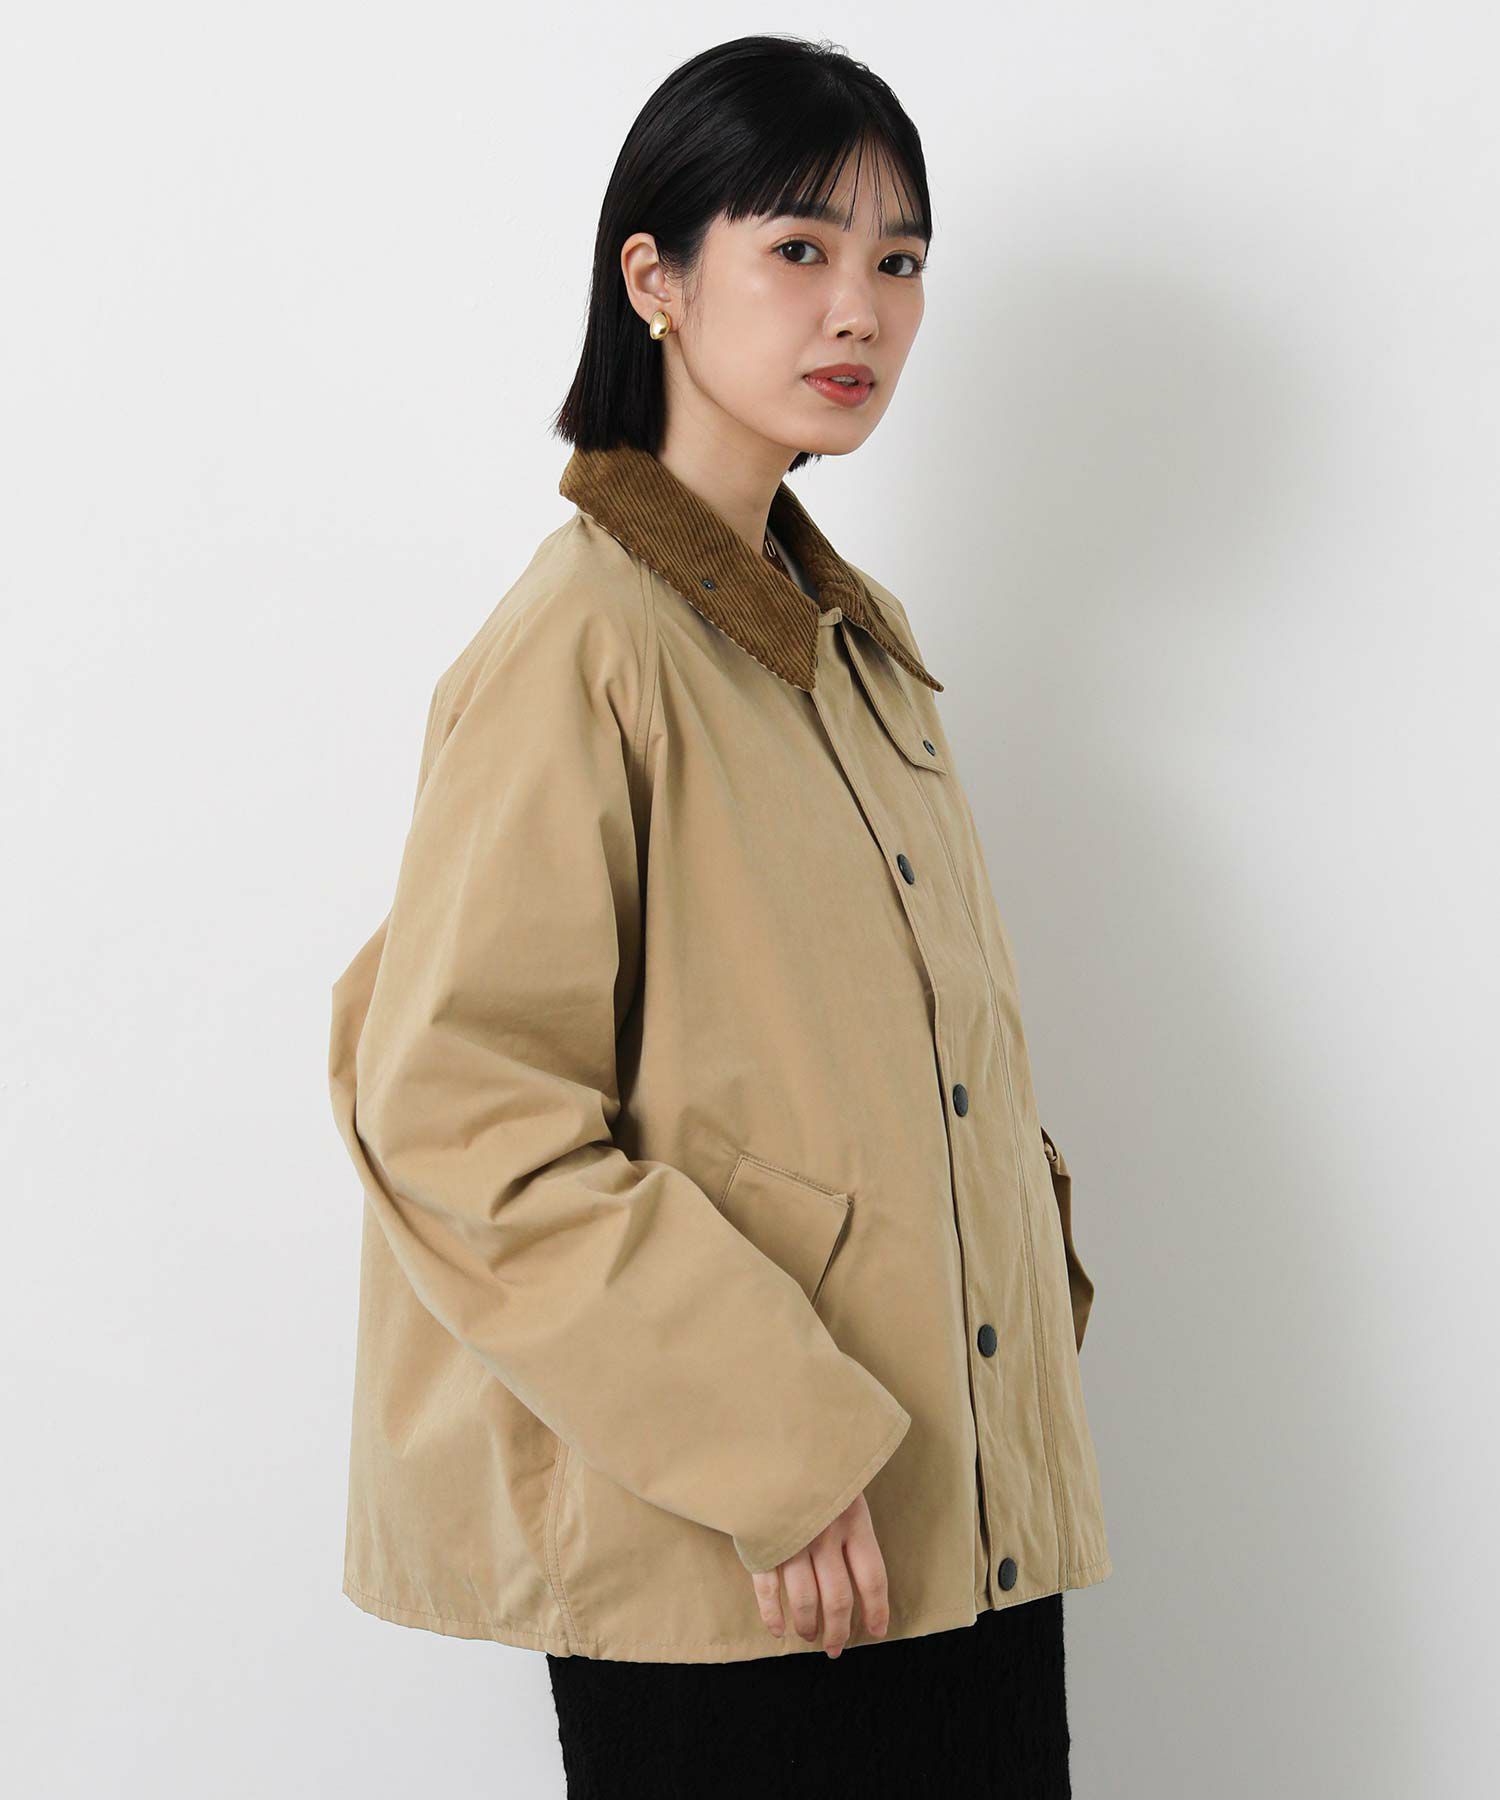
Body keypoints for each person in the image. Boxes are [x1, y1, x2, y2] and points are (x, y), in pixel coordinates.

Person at [326, 32, 1111, 1799]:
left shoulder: (860, 651)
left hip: (951, 1524)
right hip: (747, 1563)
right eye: (799, 249)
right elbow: (457, 1112)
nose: (861, 310)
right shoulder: (584, 646)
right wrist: (773, 1446)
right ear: (656, 279)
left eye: (900, 260)